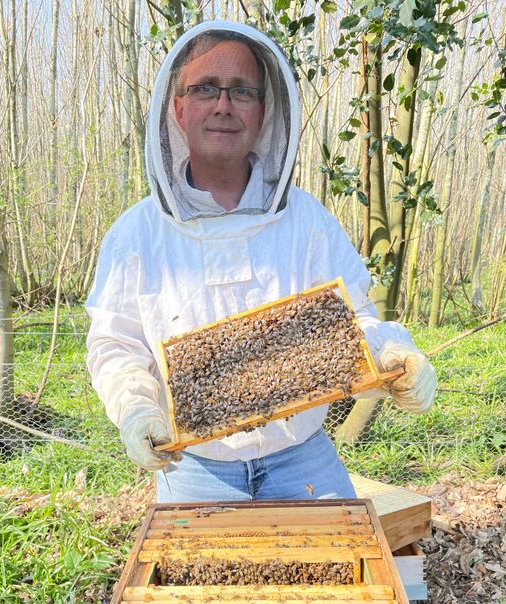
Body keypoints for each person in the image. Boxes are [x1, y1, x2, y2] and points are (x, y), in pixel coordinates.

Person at [86, 21, 437, 503]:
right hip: (194, 464)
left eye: (242, 91)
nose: (224, 105)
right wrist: (136, 409)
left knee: (340, 571)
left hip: (302, 454)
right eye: (206, 88)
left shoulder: (307, 221)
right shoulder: (135, 235)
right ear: (179, 109)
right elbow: (116, 345)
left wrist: (392, 352)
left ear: (264, 113)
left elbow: (354, 321)